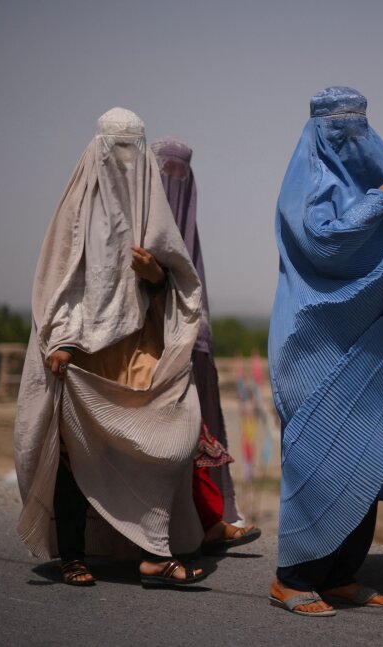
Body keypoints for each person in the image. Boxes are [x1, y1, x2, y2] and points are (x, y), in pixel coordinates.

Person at [267, 86, 383, 616]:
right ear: (319, 128)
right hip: (311, 342)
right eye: (339, 125)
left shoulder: (381, 184)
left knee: (368, 456)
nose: (351, 136)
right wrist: (379, 201)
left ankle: (342, 573)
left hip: (367, 343)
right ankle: (293, 576)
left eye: (359, 124)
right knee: (318, 454)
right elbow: (322, 242)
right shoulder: (307, 184)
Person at [15, 108, 207, 587]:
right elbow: (57, 280)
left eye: (132, 150)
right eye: (116, 149)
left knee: (164, 440)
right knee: (75, 456)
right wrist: (60, 338)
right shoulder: (77, 208)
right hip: (82, 351)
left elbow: (180, 281)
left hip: (139, 346)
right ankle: (74, 556)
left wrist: (156, 276)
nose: (124, 161)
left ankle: (152, 551)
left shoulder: (152, 205)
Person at [151, 137, 261, 553]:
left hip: (191, 347)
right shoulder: (141, 223)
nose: (173, 183)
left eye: (181, 174)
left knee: (197, 435)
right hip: (151, 350)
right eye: (167, 172)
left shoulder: (188, 236)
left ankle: (210, 519)